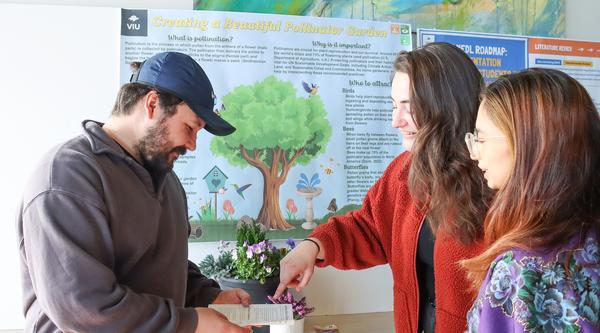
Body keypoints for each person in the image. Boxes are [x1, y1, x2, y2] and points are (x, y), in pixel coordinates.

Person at [17, 52, 253, 333]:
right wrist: (190, 322)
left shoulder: (168, 182)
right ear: (152, 104)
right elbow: (85, 307)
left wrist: (209, 296)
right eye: (190, 127)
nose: (192, 145)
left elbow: (163, 264)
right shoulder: (67, 177)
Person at [275, 42, 493, 332]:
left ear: (446, 104)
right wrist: (314, 246)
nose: (395, 121)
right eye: (393, 105)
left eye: (409, 107)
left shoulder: (493, 179)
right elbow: (370, 226)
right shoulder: (404, 171)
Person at [463, 68, 600, 332]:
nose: (474, 154)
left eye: (480, 138)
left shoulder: (522, 270)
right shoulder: (589, 235)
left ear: (526, 144)